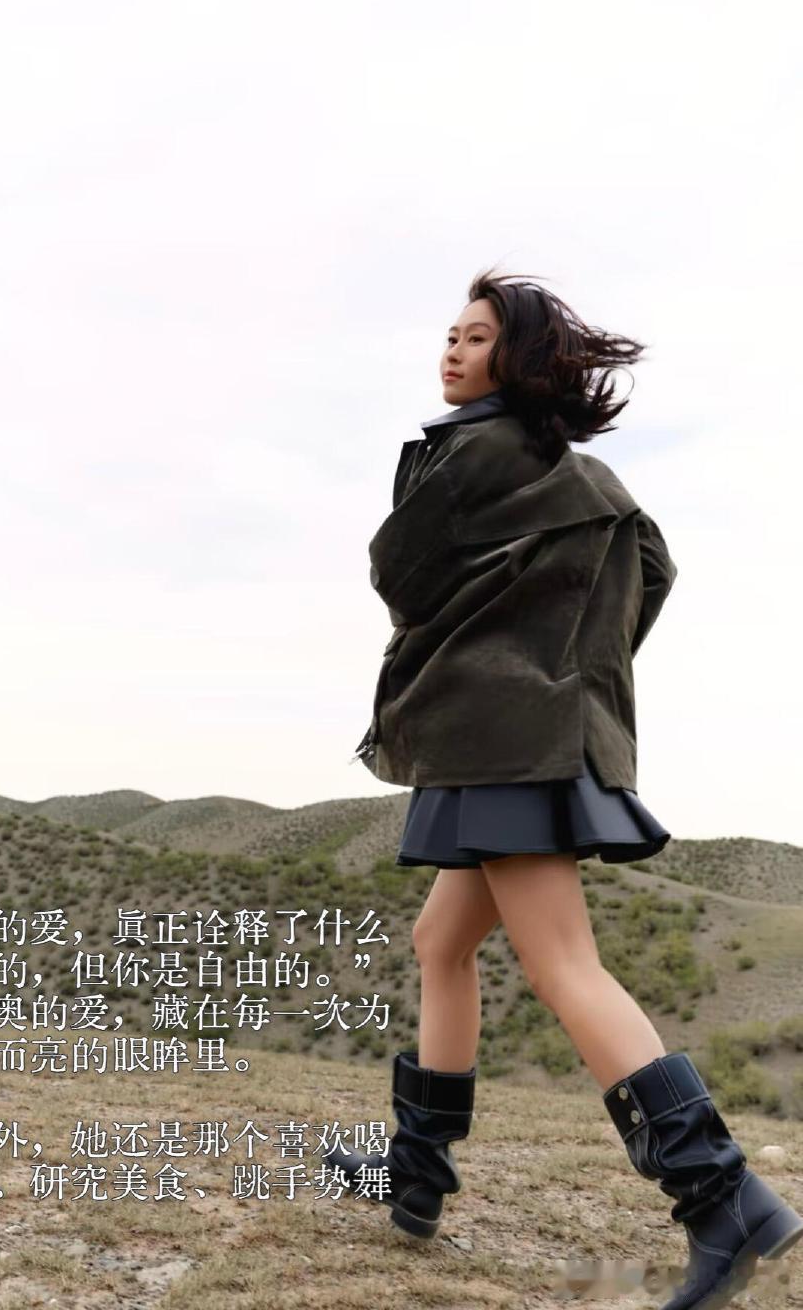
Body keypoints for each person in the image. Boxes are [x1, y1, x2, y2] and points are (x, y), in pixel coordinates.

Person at [327, 270, 802, 1310]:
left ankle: (725, 1200)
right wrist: (563, 655)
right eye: (450, 334)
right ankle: (417, 1179)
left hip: (502, 739)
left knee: (565, 966)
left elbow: (397, 575)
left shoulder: (471, 454)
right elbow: (652, 574)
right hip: (538, 734)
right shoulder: (588, 480)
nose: (452, 350)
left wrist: (507, 652)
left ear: (519, 356)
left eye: (476, 337)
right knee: (441, 943)